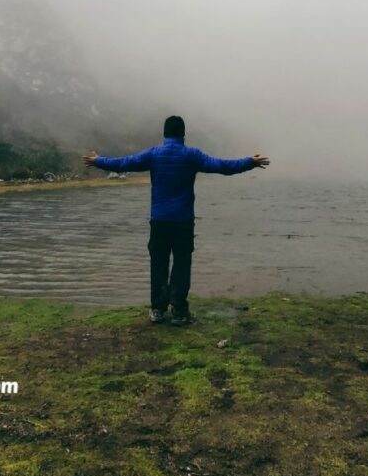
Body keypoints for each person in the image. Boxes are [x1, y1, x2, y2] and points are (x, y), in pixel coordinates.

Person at [83, 115, 269, 325]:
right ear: (183, 134)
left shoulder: (154, 154)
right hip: (183, 220)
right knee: (182, 264)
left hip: (159, 220)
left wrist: (98, 161)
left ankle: (157, 310)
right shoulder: (192, 155)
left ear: (164, 134)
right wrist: (249, 163)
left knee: (158, 263)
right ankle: (179, 312)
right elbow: (222, 167)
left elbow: (124, 163)